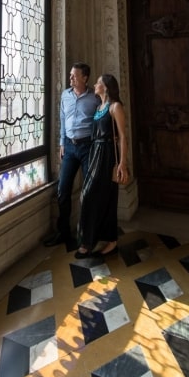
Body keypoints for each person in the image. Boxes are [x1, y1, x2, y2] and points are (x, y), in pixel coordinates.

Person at [43, 63, 100, 249]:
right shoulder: (65, 95)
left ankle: (87, 233)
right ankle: (63, 232)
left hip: (87, 147)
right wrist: (61, 142)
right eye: (70, 76)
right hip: (68, 147)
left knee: (89, 191)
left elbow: (101, 122)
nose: (71, 79)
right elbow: (62, 119)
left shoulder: (94, 98)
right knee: (63, 190)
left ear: (85, 78)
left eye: (74, 76)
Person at [76, 73, 129, 258]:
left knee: (98, 197)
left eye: (98, 82)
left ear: (105, 87)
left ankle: (100, 242)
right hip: (95, 153)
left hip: (107, 156)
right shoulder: (99, 107)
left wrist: (122, 163)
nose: (95, 85)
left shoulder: (115, 107)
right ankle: (95, 239)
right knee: (90, 196)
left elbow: (122, 136)